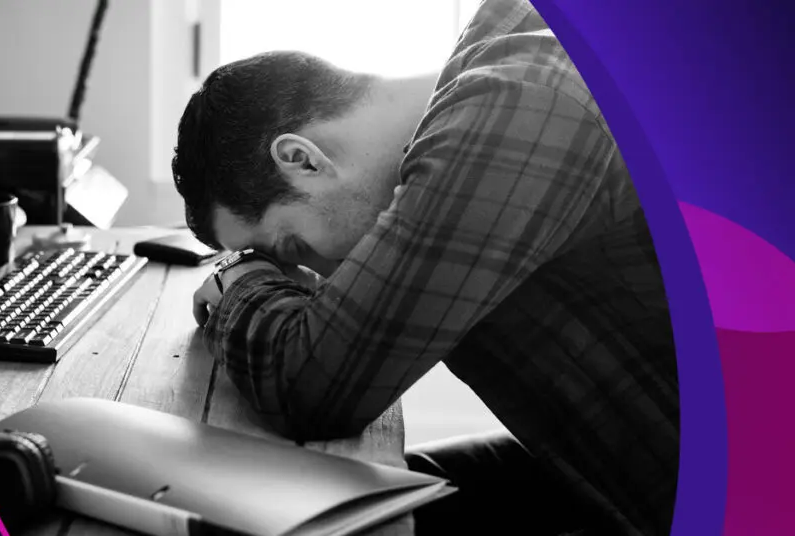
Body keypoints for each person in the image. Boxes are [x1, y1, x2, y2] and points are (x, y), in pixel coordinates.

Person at [170, 0, 679, 534]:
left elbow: (311, 387)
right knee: (333, 502)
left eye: (292, 247)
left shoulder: (516, 108)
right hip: (615, 464)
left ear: (302, 159)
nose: (315, 274)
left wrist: (241, 283)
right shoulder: (495, 86)